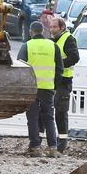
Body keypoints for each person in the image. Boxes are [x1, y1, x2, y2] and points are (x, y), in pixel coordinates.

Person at [17, 20, 59, 155]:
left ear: (31, 32)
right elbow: (60, 68)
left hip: (31, 88)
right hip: (48, 87)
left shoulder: (26, 46)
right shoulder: (53, 46)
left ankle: (35, 147)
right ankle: (53, 147)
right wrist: (54, 85)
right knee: (49, 118)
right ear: (43, 31)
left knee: (33, 118)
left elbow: (20, 67)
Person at [48, 14, 81, 152]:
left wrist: (59, 66)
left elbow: (74, 57)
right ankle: (53, 142)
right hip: (52, 81)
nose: (51, 29)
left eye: (54, 27)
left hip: (64, 81)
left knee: (61, 113)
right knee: (49, 113)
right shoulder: (52, 40)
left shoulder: (68, 39)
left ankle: (62, 143)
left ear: (62, 27)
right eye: (50, 27)